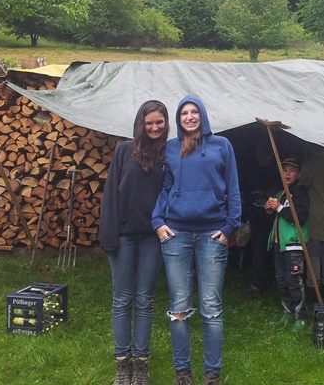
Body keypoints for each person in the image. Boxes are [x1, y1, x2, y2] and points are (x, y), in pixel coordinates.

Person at [152, 96, 241, 385]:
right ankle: (182, 373)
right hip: (176, 233)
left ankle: (212, 374)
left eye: (194, 112)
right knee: (179, 306)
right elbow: (166, 188)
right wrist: (157, 221)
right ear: (179, 119)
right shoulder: (171, 148)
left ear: (202, 114)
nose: (189, 117)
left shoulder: (222, 145)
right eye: (184, 113)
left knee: (211, 307)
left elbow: (233, 187)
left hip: (212, 234)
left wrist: (231, 226)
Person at [100, 100, 169, 385]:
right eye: (149, 122)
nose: (154, 127)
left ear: (166, 123)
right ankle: (122, 364)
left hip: (153, 237)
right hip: (124, 235)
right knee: (122, 299)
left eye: (159, 122)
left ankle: (140, 364)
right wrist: (109, 236)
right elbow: (110, 195)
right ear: (141, 123)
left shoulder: (169, 154)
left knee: (144, 300)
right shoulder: (124, 151)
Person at [265, 157, 311, 332]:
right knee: (282, 280)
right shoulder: (281, 193)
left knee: (294, 282)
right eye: (285, 170)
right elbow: (279, 215)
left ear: (298, 174)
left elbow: (300, 218)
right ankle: (288, 312)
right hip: (280, 244)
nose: (288, 174)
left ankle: (301, 318)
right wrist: (270, 208)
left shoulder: (301, 193)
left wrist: (279, 208)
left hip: (294, 245)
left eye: (292, 170)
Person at [238, 136, 281, 297]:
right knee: (260, 251)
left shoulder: (276, 172)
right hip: (258, 218)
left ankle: (277, 283)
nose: (263, 155)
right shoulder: (252, 172)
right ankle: (259, 284)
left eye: (266, 152)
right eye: (262, 152)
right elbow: (243, 193)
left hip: (273, 218)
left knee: (273, 251)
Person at [301, 144, 324, 302]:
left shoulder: (310, 163)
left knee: (314, 252)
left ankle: (313, 288)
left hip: (315, 211)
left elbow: (303, 181)